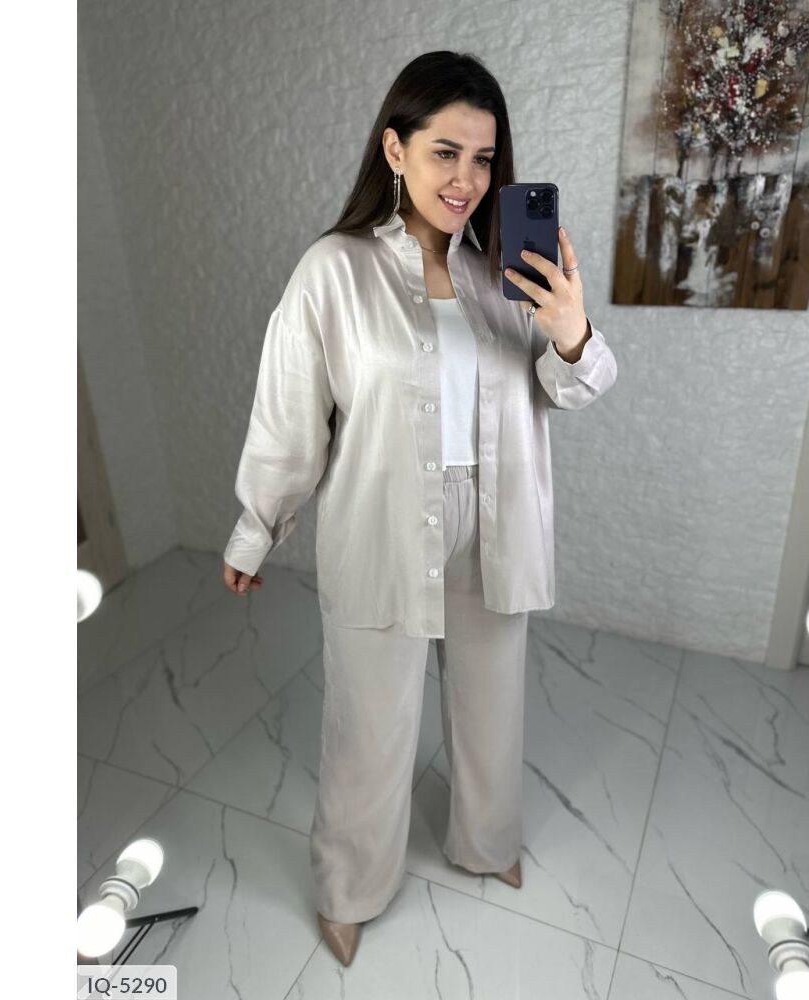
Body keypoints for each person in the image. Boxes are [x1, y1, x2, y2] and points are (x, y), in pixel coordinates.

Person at [220, 50, 618, 966]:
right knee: (368, 721)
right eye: (446, 152)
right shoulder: (333, 272)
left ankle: (487, 840)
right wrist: (256, 525)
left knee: (492, 704)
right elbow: (290, 414)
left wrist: (570, 332)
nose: (467, 179)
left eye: (483, 159)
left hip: (495, 523)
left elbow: (574, 389)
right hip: (382, 526)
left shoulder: (504, 277)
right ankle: (350, 885)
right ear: (394, 150)